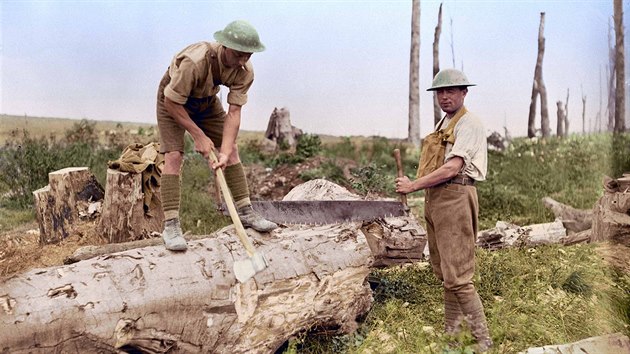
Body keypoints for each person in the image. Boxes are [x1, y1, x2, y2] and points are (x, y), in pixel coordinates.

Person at [156, 20, 278, 252]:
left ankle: (245, 211)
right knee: (173, 155)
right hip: (173, 100)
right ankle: (171, 225)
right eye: (238, 55)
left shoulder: (245, 71)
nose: (242, 62)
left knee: (231, 150)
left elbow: (234, 112)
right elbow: (171, 102)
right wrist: (198, 135)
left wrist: (224, 150)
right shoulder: (195, 62)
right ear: (224, 46)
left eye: (248, 56)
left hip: (206, 100)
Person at [395, 69, 492, 351]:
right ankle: (453, 337)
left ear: (464, 93)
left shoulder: (469, 123)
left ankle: (483, 341)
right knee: (447, 274)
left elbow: (452, 168)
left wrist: (412, 186)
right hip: (436, 198)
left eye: (451, 91)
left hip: (456, 195)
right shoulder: (444, 123)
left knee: (459, 277)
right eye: (440, 92)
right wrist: (419, 188)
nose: (445, 96)